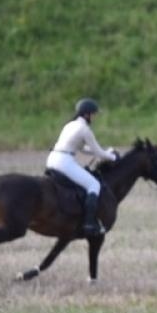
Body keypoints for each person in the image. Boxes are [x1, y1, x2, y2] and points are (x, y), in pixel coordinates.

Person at [47, 98, 118, 235]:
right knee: (94, 185)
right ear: (86, 114)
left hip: (52, 159)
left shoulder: (70, 125)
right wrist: (113, 156)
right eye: (93, 114)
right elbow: (98, 152)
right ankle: (89, 223)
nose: (94, 117)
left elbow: (84, 149)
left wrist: (106, 152)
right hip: (64, 162)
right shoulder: (85, 130)